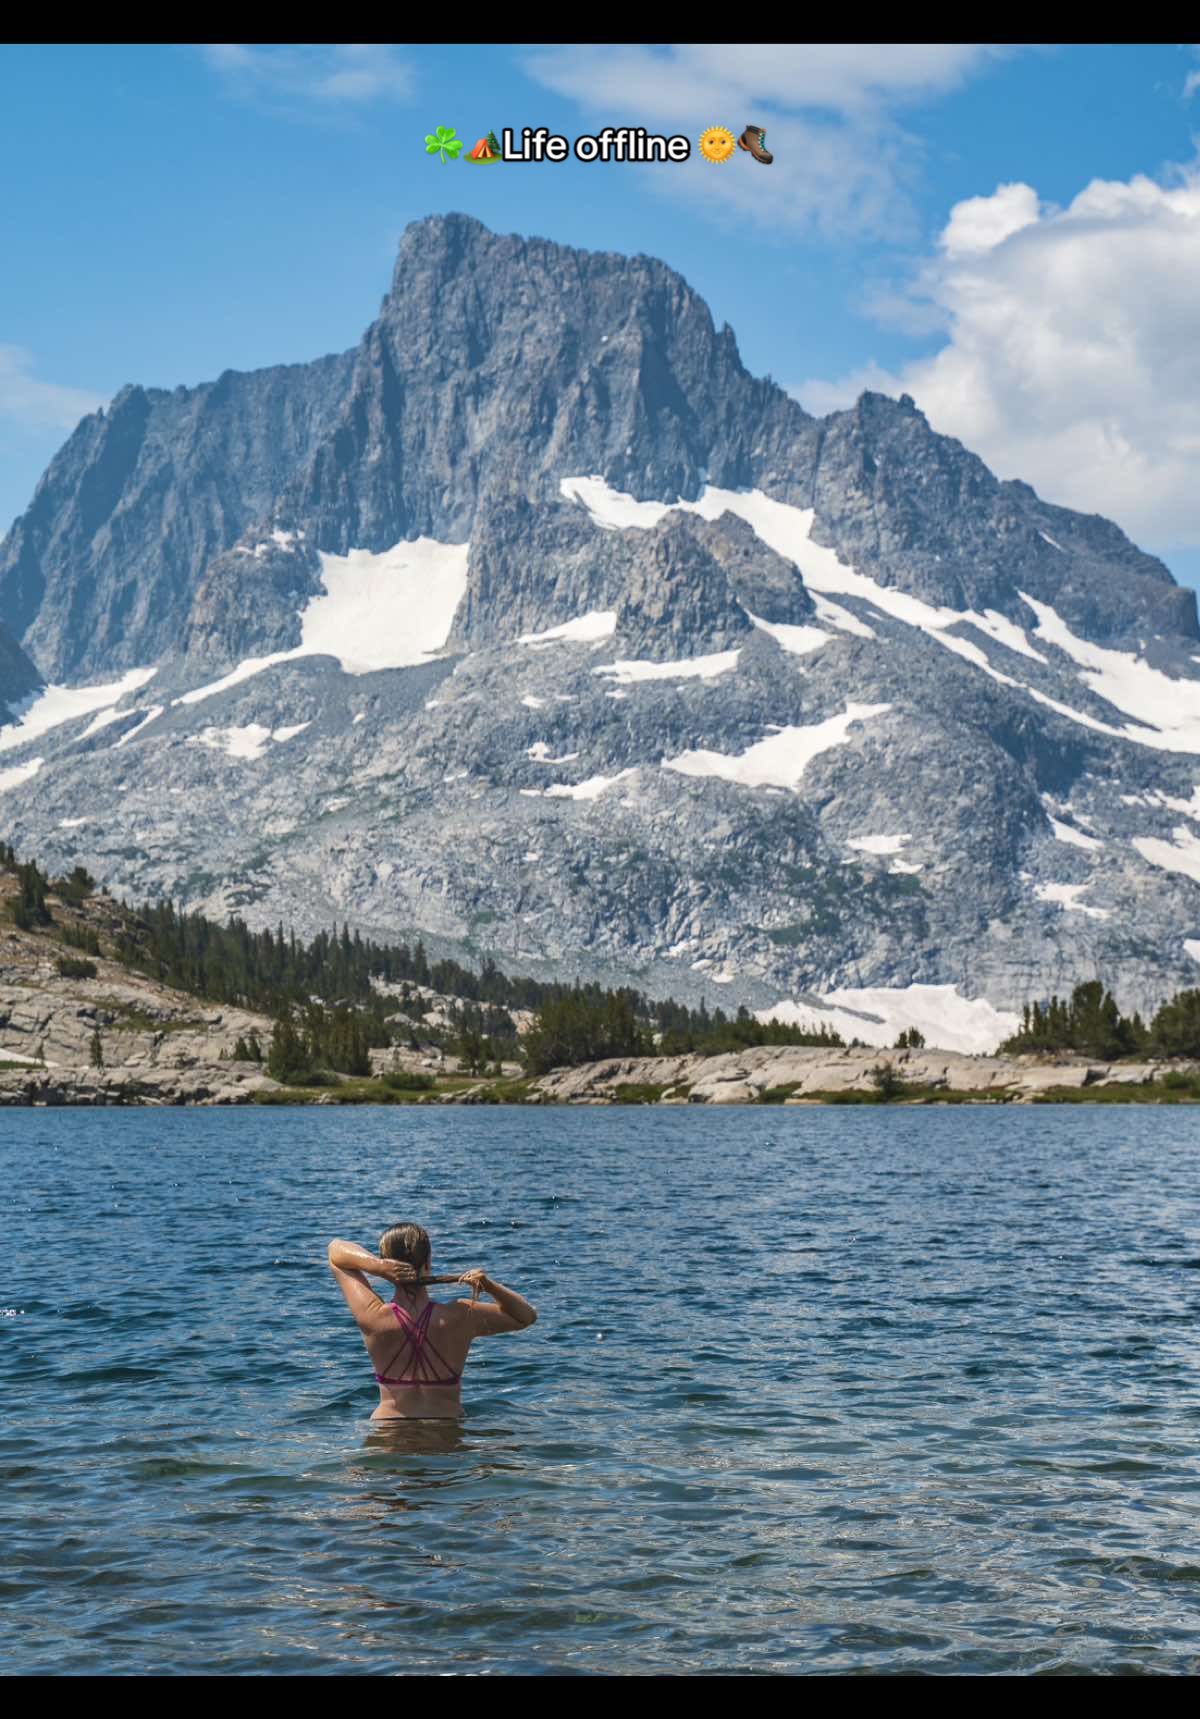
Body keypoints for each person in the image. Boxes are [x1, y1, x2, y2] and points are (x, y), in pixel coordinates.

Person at [327, 1222, 537, 1422]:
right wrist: (490, 1286)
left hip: (388, 1428)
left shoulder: (372, 1315)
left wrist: (378, 1267)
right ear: (428, 1262)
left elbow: (335, 1251)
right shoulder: (462, 1315)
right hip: (445, 1427)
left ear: (387, 1264)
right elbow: (526, 1317)